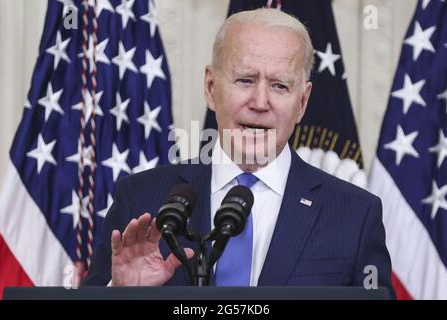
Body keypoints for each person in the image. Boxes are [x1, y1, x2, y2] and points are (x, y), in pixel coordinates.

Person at [83, 8, 394, 296]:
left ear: (302, 102)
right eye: (245, 80)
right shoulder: (140, 199)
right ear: (211, 87)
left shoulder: (355, 215)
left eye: (280, 86)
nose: (260, 102)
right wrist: (121, 292)